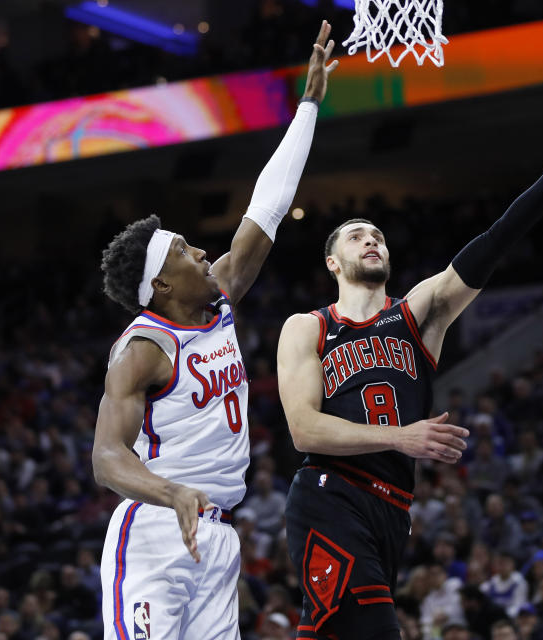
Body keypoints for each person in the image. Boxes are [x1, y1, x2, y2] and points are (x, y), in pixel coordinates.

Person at [277, 110, 543, 639]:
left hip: (392, 507)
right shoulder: (309, 327)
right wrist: (402, 436)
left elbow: (496, 240)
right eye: (356, 237)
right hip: (330, 492)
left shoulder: (418, 313)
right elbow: (304, 430)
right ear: (332, 262)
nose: (371, 241)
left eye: (377, 236)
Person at [91, 22, 338, 640]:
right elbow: (105, 457)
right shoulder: (143, 349)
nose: (200, 251)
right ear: (162, 286)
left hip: (217, 534)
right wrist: (169, 492)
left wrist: (308, 105)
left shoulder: (221, 298)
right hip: (152, 531)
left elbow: (269, 205)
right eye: (181, 250)